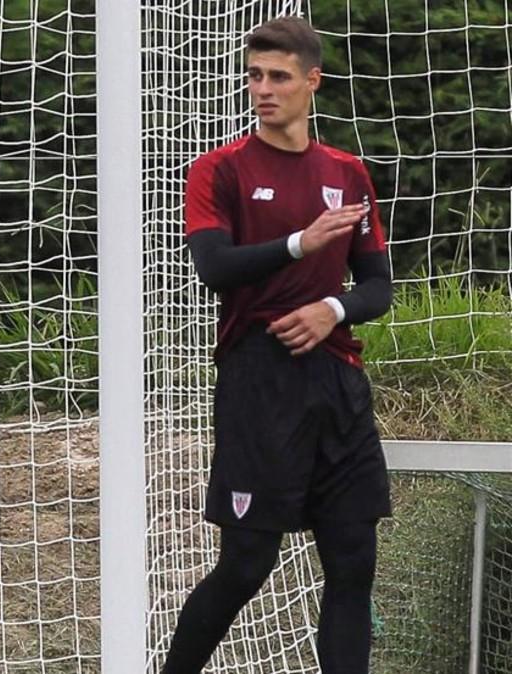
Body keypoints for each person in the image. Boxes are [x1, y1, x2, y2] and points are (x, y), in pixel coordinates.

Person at [162, 16, 393, 674]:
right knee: (245, 565)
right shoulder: (220, 169)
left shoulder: (347, 173)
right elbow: (213, 268)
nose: (263, 89)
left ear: (311, 82)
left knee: (352, 563)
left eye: (279, 77)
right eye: (255, 75)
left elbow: (377, 288)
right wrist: (301, 243)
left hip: (337, 380)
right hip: (258, 381)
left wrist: (332, 307)